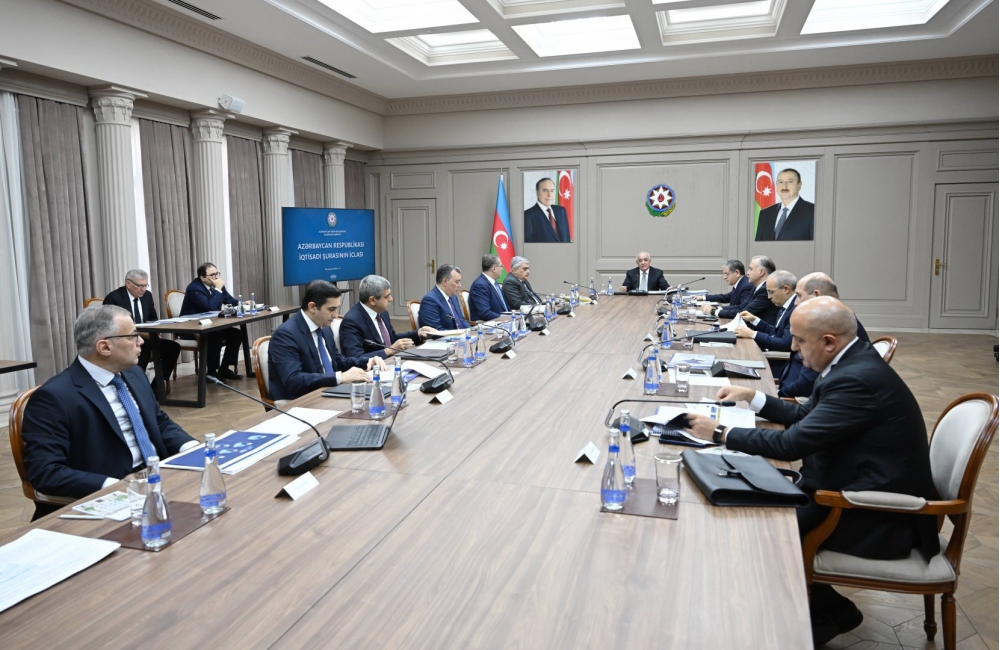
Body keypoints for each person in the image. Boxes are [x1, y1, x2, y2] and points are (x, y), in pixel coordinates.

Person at [683, 297, 939, 646]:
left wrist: (719, 433)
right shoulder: (849, 363)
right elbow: (806, 418)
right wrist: (753, 396)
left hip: (874, 512)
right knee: (751, 507)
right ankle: (830, 612)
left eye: (800, 340)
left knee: (759, 533)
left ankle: (810, 622)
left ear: (829, 342)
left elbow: (792, 444)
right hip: (851, 484)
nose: (793, 347)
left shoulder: (856, 379)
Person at [21, 305, 197, 518]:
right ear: (104, 347)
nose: (141, 341)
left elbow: (159, 422)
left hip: (158, 479)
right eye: (133, 336)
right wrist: (114, 486)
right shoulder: (53, 398)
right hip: (109, 499)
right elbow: (45, 472)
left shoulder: (134, 373)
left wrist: (193, 449)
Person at [268, 281, 385, 401]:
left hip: (330, 392)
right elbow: (293, 380)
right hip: (301, 400)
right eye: (331, 309)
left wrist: (367, 361)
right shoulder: (286, 334)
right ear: (312, 307)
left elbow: (337, 361)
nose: (336, 315)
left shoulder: (324, 328)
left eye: (337, 308)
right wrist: (340, 377)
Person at [779, 272, 871, 398]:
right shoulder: (832, 319)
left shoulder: (830, 325)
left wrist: (777, 395)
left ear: (817, 295)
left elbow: (807, 384)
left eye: (799, 296)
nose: (795, 302)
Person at [103, 268, 181, 388]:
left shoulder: (147, 296)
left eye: (145, 285)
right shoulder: (114, 298)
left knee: (173, 347)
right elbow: (110, 326)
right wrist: (138, 334)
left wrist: (156, 329)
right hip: (125, 340)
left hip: (147, 337)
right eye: (139, 286)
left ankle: (156, 388)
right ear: (128, 283)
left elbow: (153, 318)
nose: (143, 289)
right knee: (142, 349)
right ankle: (136, 388)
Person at [340, 275, 436, 359]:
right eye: (386, 296)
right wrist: (389, 351)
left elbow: (391, 339)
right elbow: (355, 357)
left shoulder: (382, 313)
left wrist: (418, 333)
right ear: (372, 300)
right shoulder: (352, 321)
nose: (391, 299)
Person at [179, 262, 244, 382]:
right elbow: (210, 307)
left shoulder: (217, 285)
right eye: (212, 275)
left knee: (236, 334)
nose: (216, 277)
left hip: (211, 325)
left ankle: (224, 368)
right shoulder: (194, 288)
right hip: (192, 328)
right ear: (202, 277)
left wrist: (243, 303)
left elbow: (229, 300)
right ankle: (211, 372)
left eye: (217, 273)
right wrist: (218, 289)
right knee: (215, 336)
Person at [735, 269, 798, 352]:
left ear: (786, 289)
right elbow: (775, 332)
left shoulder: (796, 310)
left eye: (771, 292)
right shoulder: (785, 305)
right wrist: (754, 320)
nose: (769, 297)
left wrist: (752, 334)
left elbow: (785, 344)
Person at [755, 168, 815, 241]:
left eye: (790, 182)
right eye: (780, 182)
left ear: (799, 185)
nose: (784, 187)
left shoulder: (813, 211)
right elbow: (758, 245)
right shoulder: (765, 214)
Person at [418, 265, 470, 330]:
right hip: (449, 336)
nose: (460, 285)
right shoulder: (430, 300)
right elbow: (435, 331)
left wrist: (471, 331)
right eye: (457, 282)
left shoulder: (453, 297)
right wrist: (460, 334)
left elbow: (461, 320)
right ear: (445, 282)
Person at [524, 177, 571, 243]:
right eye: (545, 190)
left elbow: (567, 239)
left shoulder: (561, 211)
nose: (549, 195)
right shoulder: (528, 215)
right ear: (537, 192)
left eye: (552, 191)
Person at [468, 254, 510, 321]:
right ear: (494, 268)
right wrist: (506, 318)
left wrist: (513, 316)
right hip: (489, 324)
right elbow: (485, 313)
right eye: (501, 266)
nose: (502, 269)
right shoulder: (480, 285)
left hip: (503, 322)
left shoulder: (494, 283)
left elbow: (504, 308)